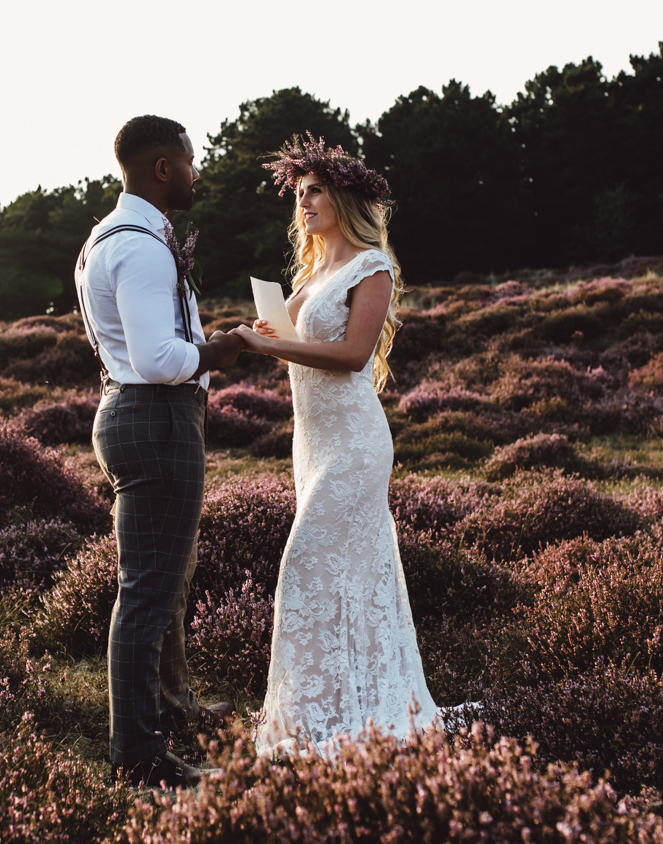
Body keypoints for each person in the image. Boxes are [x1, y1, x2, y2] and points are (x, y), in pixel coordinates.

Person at [232, 133, 439, 756]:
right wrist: (237, 338)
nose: (304, 203)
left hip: (353, 443)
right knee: (347, 576)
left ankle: (323, 718)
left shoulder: (371, 266)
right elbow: (281, 336)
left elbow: (351, 356)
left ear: (344, 197)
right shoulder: (315, 271)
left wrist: (267, 343)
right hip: (312, 445)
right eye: (298, 194)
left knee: (305, 566)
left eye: (315, 190)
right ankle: (349, 706)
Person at [75, 115, 245, 788]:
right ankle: (138, 758)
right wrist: (225, 349)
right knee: (146, 594)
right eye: (192, 160)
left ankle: (174, 709)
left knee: (163, 584)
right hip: (156, 417)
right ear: (163, 168)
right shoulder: (141, 248)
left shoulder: (105, 238)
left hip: (132, 411)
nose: (199, 172)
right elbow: (160, 358)